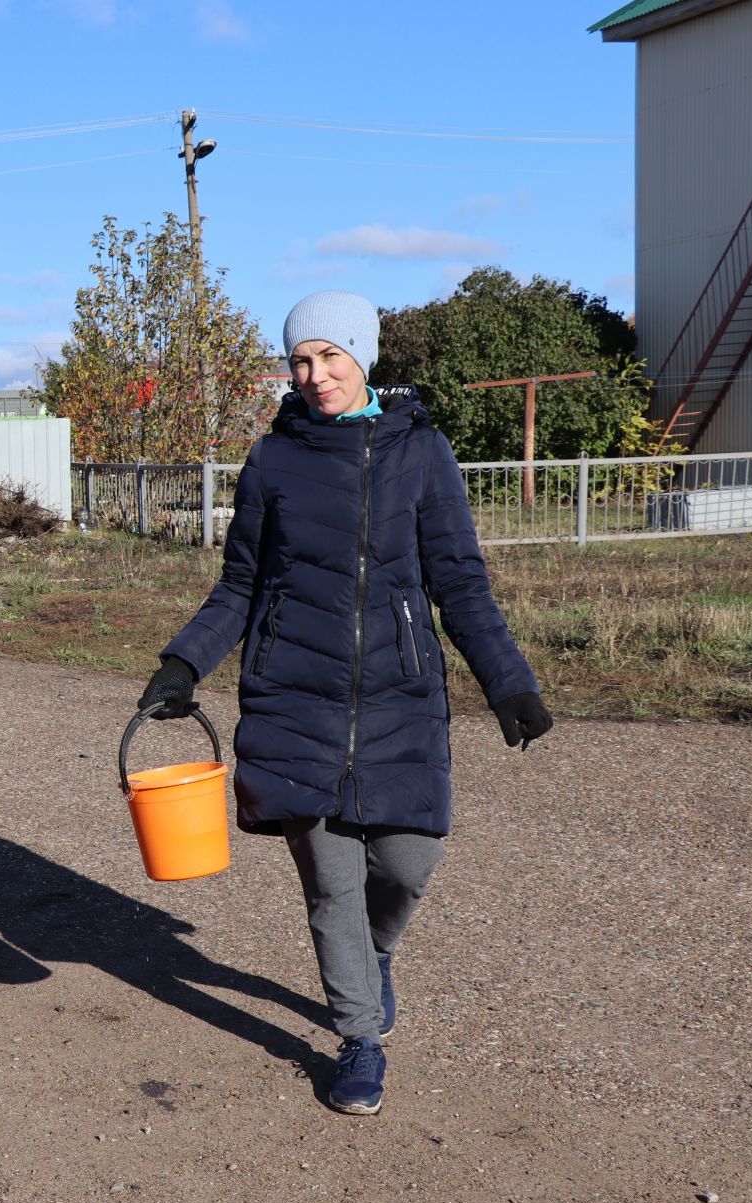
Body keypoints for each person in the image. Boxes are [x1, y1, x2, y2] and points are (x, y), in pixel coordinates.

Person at [137, 289, 552, 1116]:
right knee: (330, 883)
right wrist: (184, 663)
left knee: (408, 862)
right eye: (300, 360)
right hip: (294, 695)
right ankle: (359, 1036)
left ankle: (376, 954)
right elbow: (241, 586)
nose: (315, 374)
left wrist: (508, 681)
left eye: (330, 356)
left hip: (400, 695)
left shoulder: (421, 452)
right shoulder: (272, 460)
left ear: (364, 356)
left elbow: (460, 583)